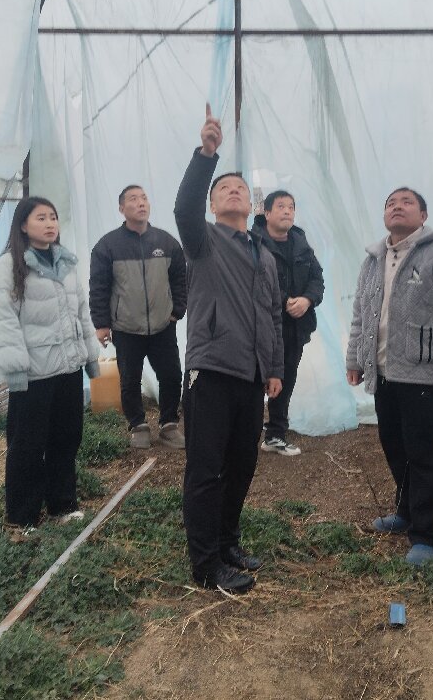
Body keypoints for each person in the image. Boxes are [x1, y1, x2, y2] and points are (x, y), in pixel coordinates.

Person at [174, 104, 284, 593]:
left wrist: (273, 368)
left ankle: (227, 541)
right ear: (213, 204)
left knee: (242, 465)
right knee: (206, 469)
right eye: (224, 188)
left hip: (250, 374)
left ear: (252, 202)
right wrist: (206, 156)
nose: (233, 191)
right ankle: (205, 565)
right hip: (212, 369)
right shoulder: (203, 241)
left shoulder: (264, 254)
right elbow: (183, 208)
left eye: (240, 187)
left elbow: (272, 315)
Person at [346, 187, 433, 566]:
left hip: (422, 374)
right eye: (390, 203)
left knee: (423, 453)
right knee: (394, 445)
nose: (397, 207)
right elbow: (361, 314)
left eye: (407, 202)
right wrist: (356, 358)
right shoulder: (374, 260)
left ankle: (426, 535)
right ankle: (405, 512)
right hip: (384, 372)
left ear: (423, 215)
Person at [0, 196, 102, 530]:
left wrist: (89, 357)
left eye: (53, 217)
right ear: (23, 225)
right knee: (27, 445)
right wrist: (16, 367)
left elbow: (81, 312)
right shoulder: (10, 265)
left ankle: (62, 506)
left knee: (66, 438)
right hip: (33, 373)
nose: (50, 223)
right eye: (41, 218)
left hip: (67, 368)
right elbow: (2, 319)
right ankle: (22, 517)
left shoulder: (65, 262)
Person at [89, 185, 187, 450]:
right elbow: (98, 287)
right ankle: (138, 425)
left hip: (162, 325)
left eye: (144, 198)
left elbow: (181, 279)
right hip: (125, 327)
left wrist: (177, 311)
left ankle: (169, 425)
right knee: (130, 379)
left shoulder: (167, 242)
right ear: (122, 208)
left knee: (171, 375)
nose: (141, 203)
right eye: (133, 199)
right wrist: (102, 324)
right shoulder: (108, 246)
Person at [250, 190, 324, 455]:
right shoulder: (253, 244)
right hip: (261, 326)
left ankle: (275, 433)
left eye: (291, 207)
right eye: (281, 206)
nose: (287, 211)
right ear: (267, 213)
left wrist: (306, 300)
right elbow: (252, 282)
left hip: (294, 326)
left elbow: (317, 279)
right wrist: (285, 301)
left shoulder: (301, 243)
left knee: (286, 377)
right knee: (254, 378)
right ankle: (246, 433)